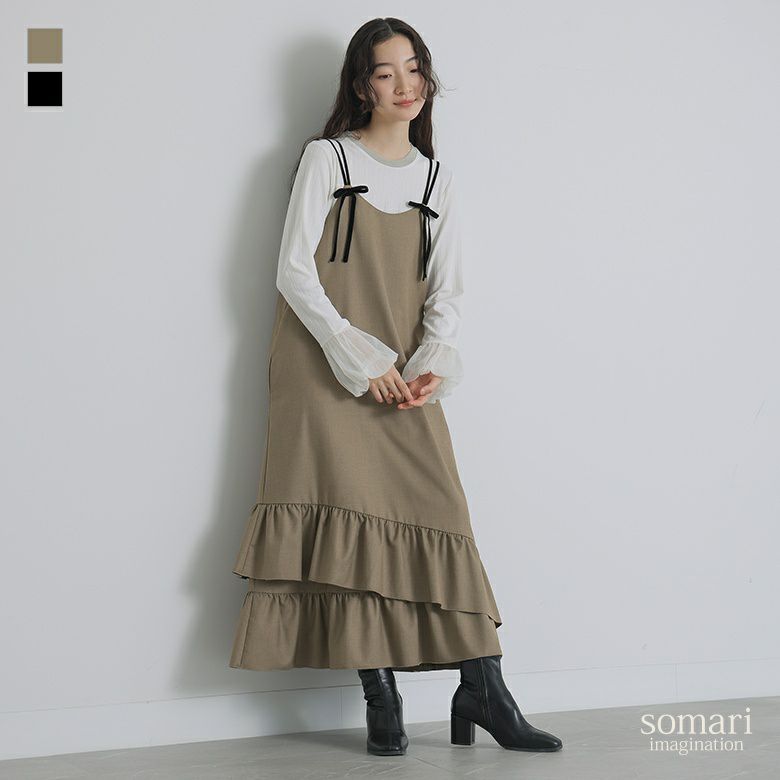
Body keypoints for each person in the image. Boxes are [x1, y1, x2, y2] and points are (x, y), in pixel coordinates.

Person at [228, 16, 562, 757]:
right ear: (361, 86)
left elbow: (447, 292)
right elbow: (293, 272)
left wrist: (429, 361)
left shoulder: (437, 178)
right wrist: (357, 355)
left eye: (414, 68)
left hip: (403, 381)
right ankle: (381, 697)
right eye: (386, 73)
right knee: (348, 518)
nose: (405, 85)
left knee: (442, 509)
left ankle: (484, 689)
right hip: (322, 372)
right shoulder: (328, 158)